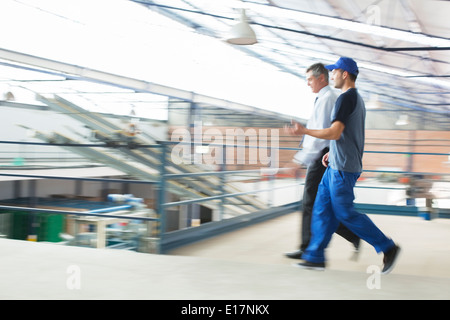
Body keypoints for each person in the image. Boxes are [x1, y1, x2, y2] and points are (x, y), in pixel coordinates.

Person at [285, 57, 400, 274]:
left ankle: (388, 247)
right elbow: (344, 135)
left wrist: (304, 131)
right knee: (321, 209)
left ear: (344, 74)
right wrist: (331, 152)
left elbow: (335, 132)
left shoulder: (346, 98)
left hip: (344, 169)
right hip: (335, 164)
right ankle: (315, 256)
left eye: (335, 71)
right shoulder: (352, 98)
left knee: (345, 213)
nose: (332, 76)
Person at [284, 63, 360, 260]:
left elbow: (321, 136)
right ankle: (353, 234)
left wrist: (298, 160)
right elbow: (316, 132)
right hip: (321, 155)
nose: (308, 83)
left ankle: (307, 248)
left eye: (310, 79)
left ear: (321, 79)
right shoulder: (323, 98)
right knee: (323, 205)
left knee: (310, 203)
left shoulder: (328, 99)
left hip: (321, 156)